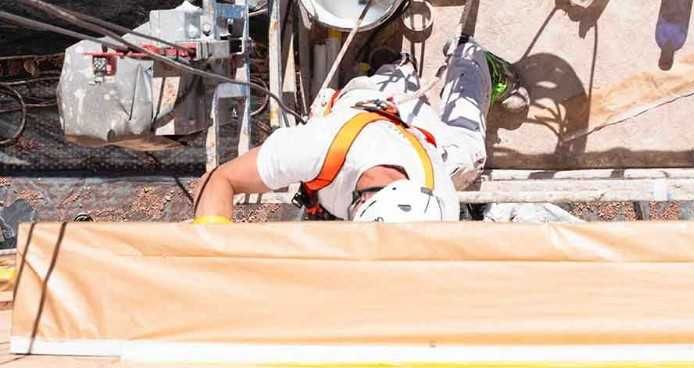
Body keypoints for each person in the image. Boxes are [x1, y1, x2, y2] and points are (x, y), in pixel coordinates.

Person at [193, 35, 504, 223]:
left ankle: (441, 63)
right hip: (368, 104)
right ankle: (413, 66)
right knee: (390, 88)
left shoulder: (438, 204)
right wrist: (211, 255)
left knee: (467, 157)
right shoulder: (317, 147)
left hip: (417, 136)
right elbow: (220, 179)